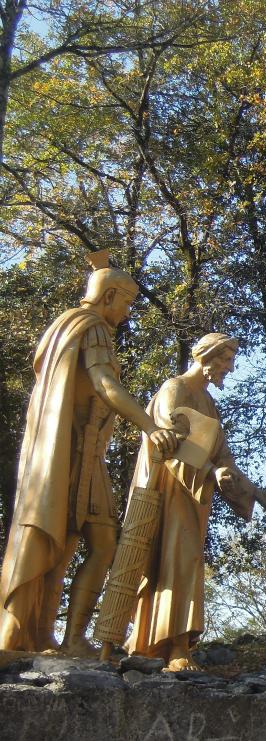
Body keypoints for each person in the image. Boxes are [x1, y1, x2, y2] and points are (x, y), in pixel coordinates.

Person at [0, 251, 178, 654]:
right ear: (109, 294)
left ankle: (47, 634)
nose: (128, 312)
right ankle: (60, 636)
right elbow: (104, 385)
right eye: (127, 301)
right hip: (74, 454)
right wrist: (150, 426)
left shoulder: (65, 326)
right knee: (85, 543)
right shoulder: (93, 327)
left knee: (68, 542)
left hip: (75, 454)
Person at [126, 333, 266, 671]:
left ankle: (172, 645)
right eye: (225, 360)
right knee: (175, 560)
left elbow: (223, 457)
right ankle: (171, 646)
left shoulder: (209, 403)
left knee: (188, 561)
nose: (230, 367)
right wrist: (211, 470)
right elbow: (169, 437)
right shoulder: (176, 388)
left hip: (194, 497)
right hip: (168, 491)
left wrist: (258, 493)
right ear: (205, 356)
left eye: (230, 360)